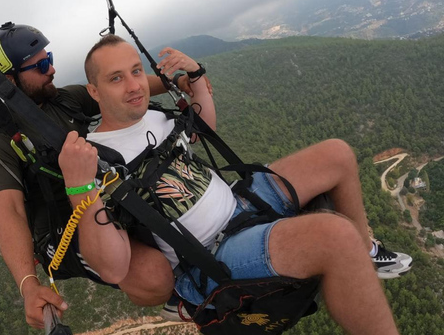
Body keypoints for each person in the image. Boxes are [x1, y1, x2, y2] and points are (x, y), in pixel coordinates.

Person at [57, 34, 412, 335]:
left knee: (337, 154)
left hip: (239, 203)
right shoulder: (95, 157)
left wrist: (195, 76)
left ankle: (366, 252)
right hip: (211, 256)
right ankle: (353, 253)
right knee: (336, 236)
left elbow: (204, 129)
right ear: (94, 91)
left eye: (136, 71)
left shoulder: (153, 113)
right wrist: (79, 186)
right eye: (116, 78)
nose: (135, 85)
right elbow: (112, 267)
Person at [0, 22, 201, 329]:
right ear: (9, 80)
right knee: (155, 275)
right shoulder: (1, 139)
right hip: (62, 229)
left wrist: (178, 81)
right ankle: (183, 296)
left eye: (50, 58)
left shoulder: (63, 99)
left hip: (103, 193)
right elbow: (10, 212)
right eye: (41, 65)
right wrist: (27, 285)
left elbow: (120, 87)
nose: (52, 70)